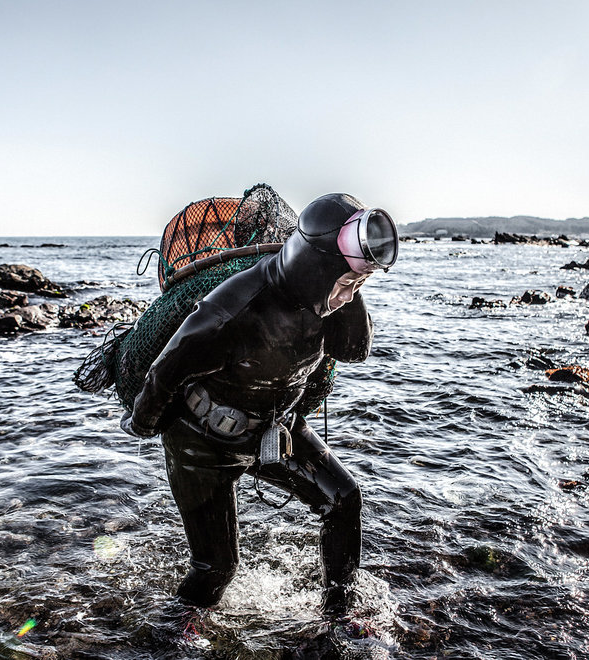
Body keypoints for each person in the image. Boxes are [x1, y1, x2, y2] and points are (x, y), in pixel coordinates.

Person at [124, 192, 398, 616]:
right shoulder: (232, 311)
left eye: (356, 287)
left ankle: (340, 613)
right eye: (343, 285)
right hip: (202, 442)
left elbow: (355, 349)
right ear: (313, 267)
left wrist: (351, 281)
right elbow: (165, 373)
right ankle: (176, 629)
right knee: (217, 568)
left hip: (275, 429)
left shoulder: (328, 298)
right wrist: (142, 423)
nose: (345, 297)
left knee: (343, 500)